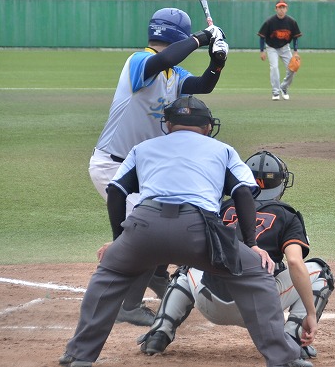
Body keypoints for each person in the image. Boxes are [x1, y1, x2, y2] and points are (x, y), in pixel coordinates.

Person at [59, 96, 312, 367]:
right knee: (255, 275)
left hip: (144, 228)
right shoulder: (223, 150)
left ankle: (79, 354)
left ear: (168, 124)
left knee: (109, 274)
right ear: (207, 126)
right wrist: (251, 244)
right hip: (198, 231)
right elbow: (243, 193)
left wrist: (119, 241)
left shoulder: (143, 148)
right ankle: (283, 358)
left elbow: (116, 191)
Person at [87, 7, 228, 326]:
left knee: (167, 217)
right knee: (149, 230)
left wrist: (217, 62)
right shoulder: (139, 62)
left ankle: (157, 275)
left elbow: (204, 85)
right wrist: (202, 38)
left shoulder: (174, 75)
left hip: (143, 171)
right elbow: (163, 59)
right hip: (113, 167)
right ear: (181, 35)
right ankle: (127, 305)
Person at [138, 150, 334, 361]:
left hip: (210, 302)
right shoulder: (287, 215)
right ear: (280, 183)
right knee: (320, 271)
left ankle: (159, 332)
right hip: (260, 307)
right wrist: (311, 313)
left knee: (188, 267)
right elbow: (294, 262)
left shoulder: (220, 207)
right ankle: (294, 339)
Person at [258, 0, 302, 101]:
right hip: (271, 47)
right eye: (279, 7)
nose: (281, 10)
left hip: (285, 48)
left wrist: (295, 52)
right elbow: (262, 36)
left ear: (286, 9)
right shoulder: (270, 22)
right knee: (274, 68)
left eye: (283, 7)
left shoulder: (291, 22)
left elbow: (295, 37)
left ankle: (284, 87)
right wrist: (262, 51)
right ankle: (275, 92)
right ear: (276, 9)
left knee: (293, 68)